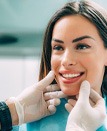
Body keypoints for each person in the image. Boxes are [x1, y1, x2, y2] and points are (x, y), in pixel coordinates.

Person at [0, 0, 107, 130]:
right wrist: (10, 112)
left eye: (82, 46)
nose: (66, 60)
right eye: (58, 47)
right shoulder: (23, 122)